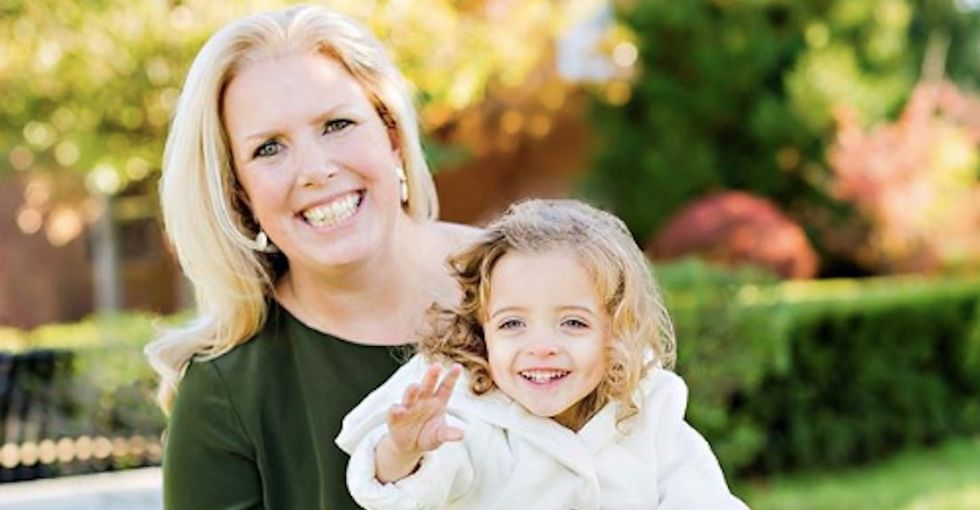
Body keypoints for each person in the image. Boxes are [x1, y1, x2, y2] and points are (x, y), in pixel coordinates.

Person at [144, 5, 480, 509]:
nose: (316, 170)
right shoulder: (225, 392)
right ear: (240, 194)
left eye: (337, 124)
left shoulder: (537, 279)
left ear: (390, 134)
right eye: (269, 149)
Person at [336, 199, 749, 510]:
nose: (541, 346)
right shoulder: (467, 413)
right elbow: (403, 495)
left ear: (616, 331)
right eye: (512, 324)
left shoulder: (646, 413)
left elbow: (701, 497)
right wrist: (404, 450)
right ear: (483, 330)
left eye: (573, 323)